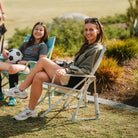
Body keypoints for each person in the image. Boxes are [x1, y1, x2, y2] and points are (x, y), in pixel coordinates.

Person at [4, 18, 105, 120]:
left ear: (98, 31)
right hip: (68, 77)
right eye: (86, 30)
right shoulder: (87, 46)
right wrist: (61, 63)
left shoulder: (96, 49)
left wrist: (66, 70)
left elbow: (85, 70)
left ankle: (21, 89)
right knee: (38, 76)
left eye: (91, 30)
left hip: (73, 80)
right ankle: (31, 110)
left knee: (43, 61)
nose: (87, 32)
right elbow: (76, 64)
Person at [0, 22, 49, 106]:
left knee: (12, 68)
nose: (38, 31)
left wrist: (25, 62)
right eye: (36, 29)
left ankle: (13, 96)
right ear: (33, 30)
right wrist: (7, 53)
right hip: (17, 64)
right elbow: (16, 54)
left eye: (41, 30)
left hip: (30, 67)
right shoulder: (26, 43)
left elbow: (41, 62)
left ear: (44, 33)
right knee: (9, 66)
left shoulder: (42, 46)